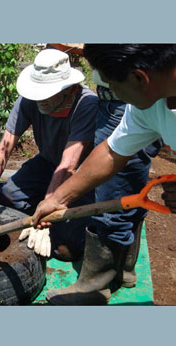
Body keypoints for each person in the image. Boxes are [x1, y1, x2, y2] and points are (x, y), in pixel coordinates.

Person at [31, 44, 176, 305]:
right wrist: (58, 197)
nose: (111, 94)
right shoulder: (148, 104)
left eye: (111, 85)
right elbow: (112, 153)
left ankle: (98, 284)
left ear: (139, 77)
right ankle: (122, 270)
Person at [0, 48, 99, 261]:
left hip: (79, 173)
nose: (41, 99)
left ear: (68, 89)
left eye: (47, 94)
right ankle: (40, 216)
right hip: (48, 162)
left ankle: (55, 222)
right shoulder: (29, 99)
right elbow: (5, 145)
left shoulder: (86, 105)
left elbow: (68, 164)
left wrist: (49, 203)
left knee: (64, 249)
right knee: (8, 196)